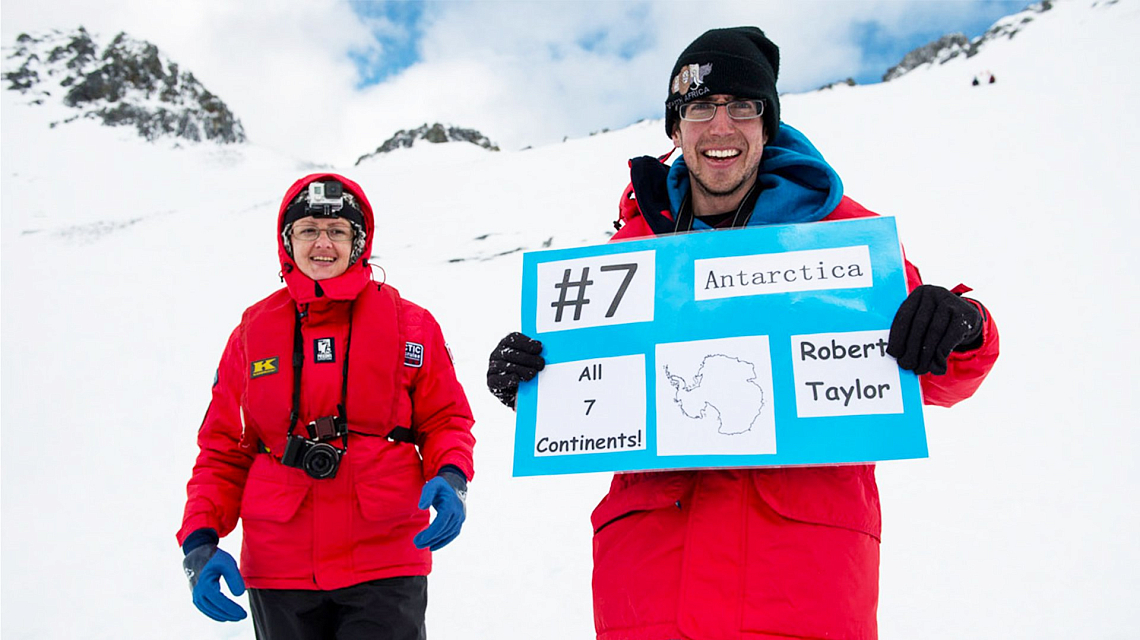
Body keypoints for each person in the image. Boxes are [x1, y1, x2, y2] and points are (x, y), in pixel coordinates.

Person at [487, 27, 999, 640]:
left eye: (742, 106)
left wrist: (958, 327)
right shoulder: (629, 253)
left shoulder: (844, 239)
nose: (720, 127)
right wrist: (536, 383)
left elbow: (937, 378)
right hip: (650, 587)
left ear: (768, 122)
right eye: (699, 108)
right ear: (675, 130)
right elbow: (590, 398)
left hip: (801, 586)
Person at [178, 173, 475, 640]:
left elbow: (446, 419)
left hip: (386, 557)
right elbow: (222, 449)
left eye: (337, 231)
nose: (323, 242)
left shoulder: (411, 324)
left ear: (359, 243)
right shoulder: (251, 334)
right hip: (280, 568)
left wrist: (452, 475)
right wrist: (199, 538)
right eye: (309, 229)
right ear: (287, 241)